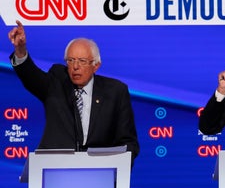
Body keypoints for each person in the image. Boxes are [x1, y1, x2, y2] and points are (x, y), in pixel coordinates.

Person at [8, 20, 140, 163]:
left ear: (96, 66)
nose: (75, 66)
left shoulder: (115, 92)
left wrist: (116, 167)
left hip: (100, 173)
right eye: (70, 60)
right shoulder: (57, 80)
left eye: (82, 61)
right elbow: (31, 77)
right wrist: (20, 51)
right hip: (56, 170)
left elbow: (128, 142)